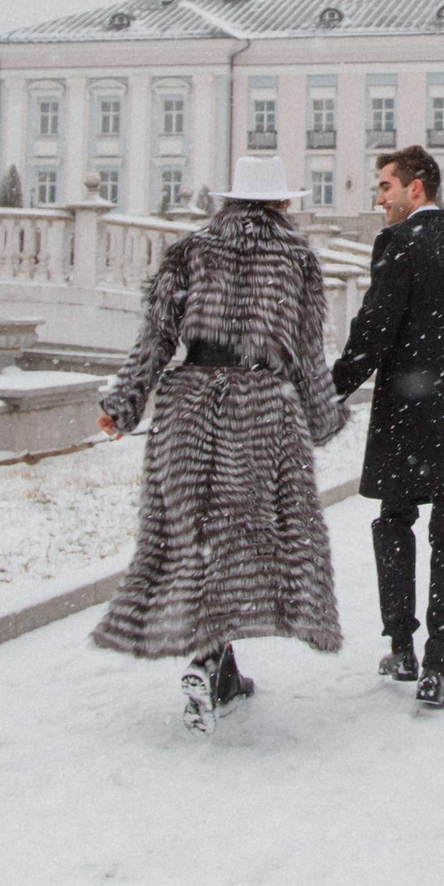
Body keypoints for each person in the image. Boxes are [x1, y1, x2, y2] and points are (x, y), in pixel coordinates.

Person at [91, 156, 351, 733]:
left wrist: (124, 405)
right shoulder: (297, 259)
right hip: (258, 406)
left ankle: (216, 664)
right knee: (241, 537)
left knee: (193, 535)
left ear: (230, 200)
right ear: (280, 202)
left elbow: (155, 339)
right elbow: (308, 352)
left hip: (187, 404)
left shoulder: (189, 250)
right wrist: (323, 417)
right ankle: (211, 662)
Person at [332, 144, 444, 710]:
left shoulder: (401, 244)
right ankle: (437, 667)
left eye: (385, 186)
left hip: (408, 415)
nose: (378, 198)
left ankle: (402, 647)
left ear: (416, 187)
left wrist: (330, 390)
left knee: (395, 523)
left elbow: (372, 332)